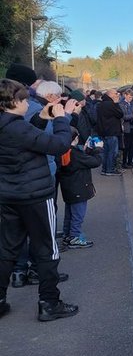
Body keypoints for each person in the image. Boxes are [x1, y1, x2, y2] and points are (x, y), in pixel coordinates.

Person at [0, 78, 78, 322]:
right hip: (34, 196)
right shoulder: (17, 128)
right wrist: (63, 118)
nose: (27, 103)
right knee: (46, 249)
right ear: (14, 102)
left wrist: (42, 117)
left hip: (8, 195)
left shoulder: (8, 125)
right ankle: (49, 303)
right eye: (24, 99)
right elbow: (59, 145)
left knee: (7, 249)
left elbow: (26, 137)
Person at [59, 127, 102, 248]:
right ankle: (75, 237)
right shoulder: (76, 154)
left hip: (68, 189)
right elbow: (95, 162)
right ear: (76, 138)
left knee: (70, 214)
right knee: (78, 215)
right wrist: (97, 149)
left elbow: (82, 160)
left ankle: (67, 235)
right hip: (79, 189)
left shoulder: (64, 151)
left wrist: (87, 151)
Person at [96, 89, 124, 175]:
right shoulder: (111, 104)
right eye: (116, 93)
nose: (117, 95)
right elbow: (120, 114)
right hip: (112, 131)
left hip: (103, 132)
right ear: (111, 95)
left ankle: (104, 169)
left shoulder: (101, 104)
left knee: (106, 152)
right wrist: (116, 104)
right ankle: (110, 169)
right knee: (112, 151)